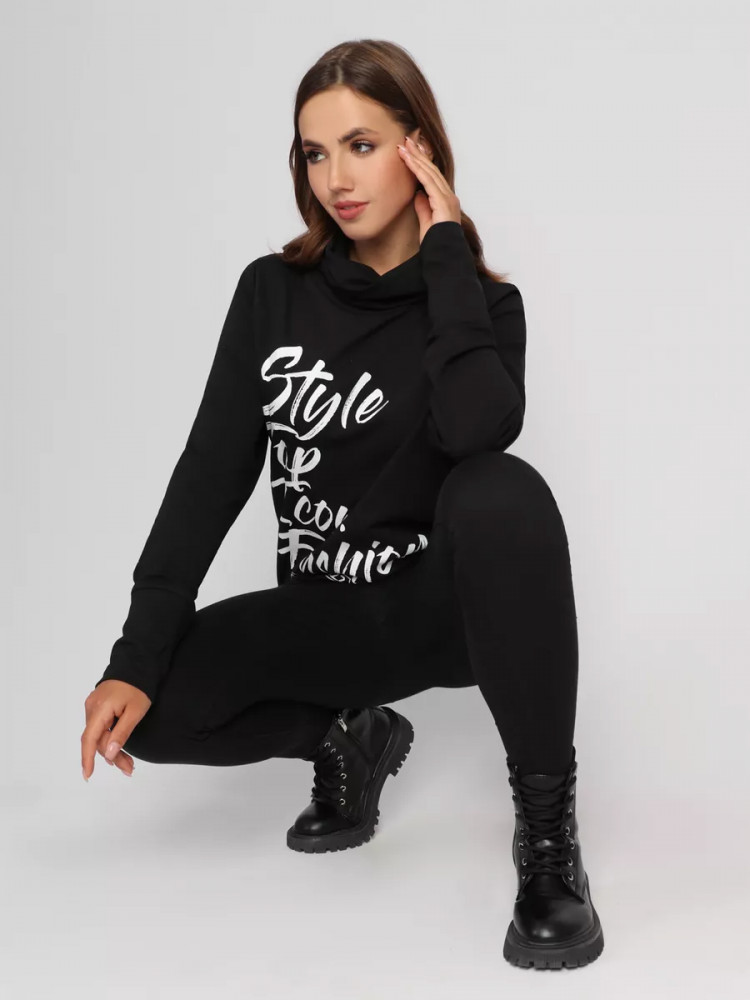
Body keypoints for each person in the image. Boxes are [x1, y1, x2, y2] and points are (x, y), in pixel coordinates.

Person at [80, 39, 604, 970]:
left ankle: (548, 839)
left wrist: (447, 252)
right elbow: (207, 476)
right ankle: (348, 742)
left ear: (419, 148)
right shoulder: (271, 294)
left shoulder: (486, 308)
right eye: (315, 153)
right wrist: (133, 654)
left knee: (502, 489)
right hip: (326, 618)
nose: (336, 180)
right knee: (149, 709)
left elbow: (480, 429)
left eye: (361, 146)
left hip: (442, 617)